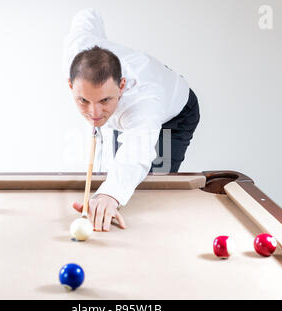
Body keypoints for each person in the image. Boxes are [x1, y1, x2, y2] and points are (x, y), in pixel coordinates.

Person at [63, 8, 200, 232]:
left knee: (147, 186)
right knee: (117, 171)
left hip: (176, 113)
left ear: (122, 86)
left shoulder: (144, 103)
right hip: (133, 101)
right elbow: (88, 16)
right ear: (71, 85)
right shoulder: (76, 49)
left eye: (104, 100)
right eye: (84, 100)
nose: (94, 113)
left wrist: (111, 193)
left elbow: (137, 151)